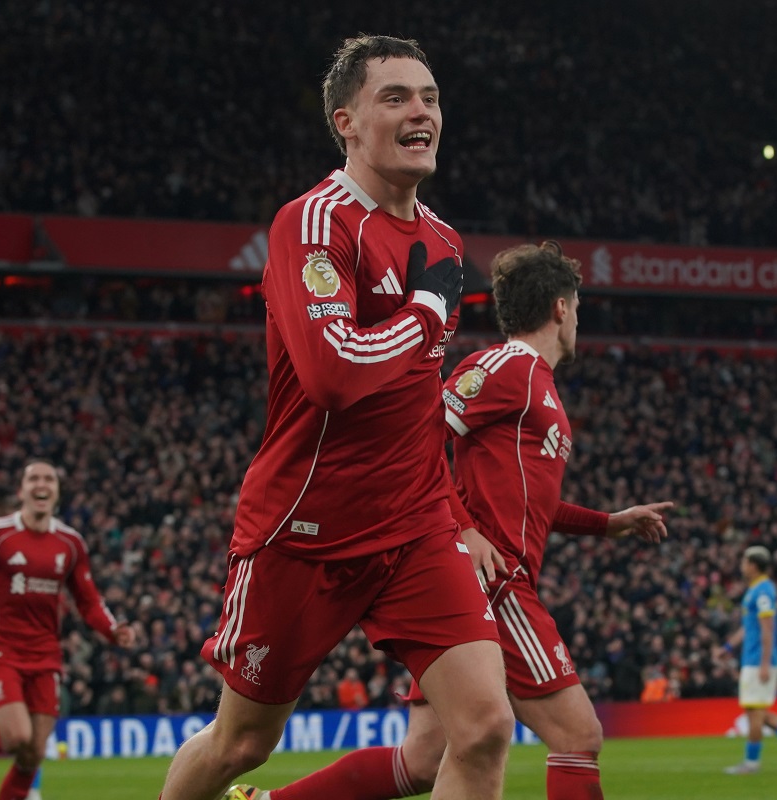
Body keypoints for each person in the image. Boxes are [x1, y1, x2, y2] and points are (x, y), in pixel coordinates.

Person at [160, 34, 512, 800]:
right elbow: (332, 373)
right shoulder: (313, 223)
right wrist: (426, 310)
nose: (421, 112)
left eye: (430, 98)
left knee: (485, 726)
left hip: (414, 526)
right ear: (345, 122)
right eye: (396, 98)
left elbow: (419, 399)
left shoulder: (443, 240)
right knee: (241, 744)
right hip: (306, 530)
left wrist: (456, 515)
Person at [228, 242, 672, 800]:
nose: (578, 319)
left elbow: (527, 502)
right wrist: (465, 529)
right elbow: (420, 436)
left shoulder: (535, 383)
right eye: (578, 307)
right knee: (577, 736)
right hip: (494, 581)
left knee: (420, 762)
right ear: (561, 308)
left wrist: (607, 523)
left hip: (478, 578)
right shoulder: (505, 367)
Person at [0, 460, 134, 800]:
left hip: (46, 656)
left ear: (57, 492)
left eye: (49, 479)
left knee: (33, 753)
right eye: (33, 479)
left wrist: (112, 630)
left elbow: (88, 600)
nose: (41, 484)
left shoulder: (70, 543)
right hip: (0, 650)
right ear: (22, 491)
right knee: (17, 737)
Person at [722, 545, 777, 774]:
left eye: (745, 562)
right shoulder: (755, 589)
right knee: (757, 712)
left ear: (753, 565)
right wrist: (728, 647)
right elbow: (748, 627)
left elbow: (767, 629)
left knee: (755, 713)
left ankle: (752, 763)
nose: (742, 566)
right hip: (751, 659)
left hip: (758, 661)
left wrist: (764, 664)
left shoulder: (763, 591)